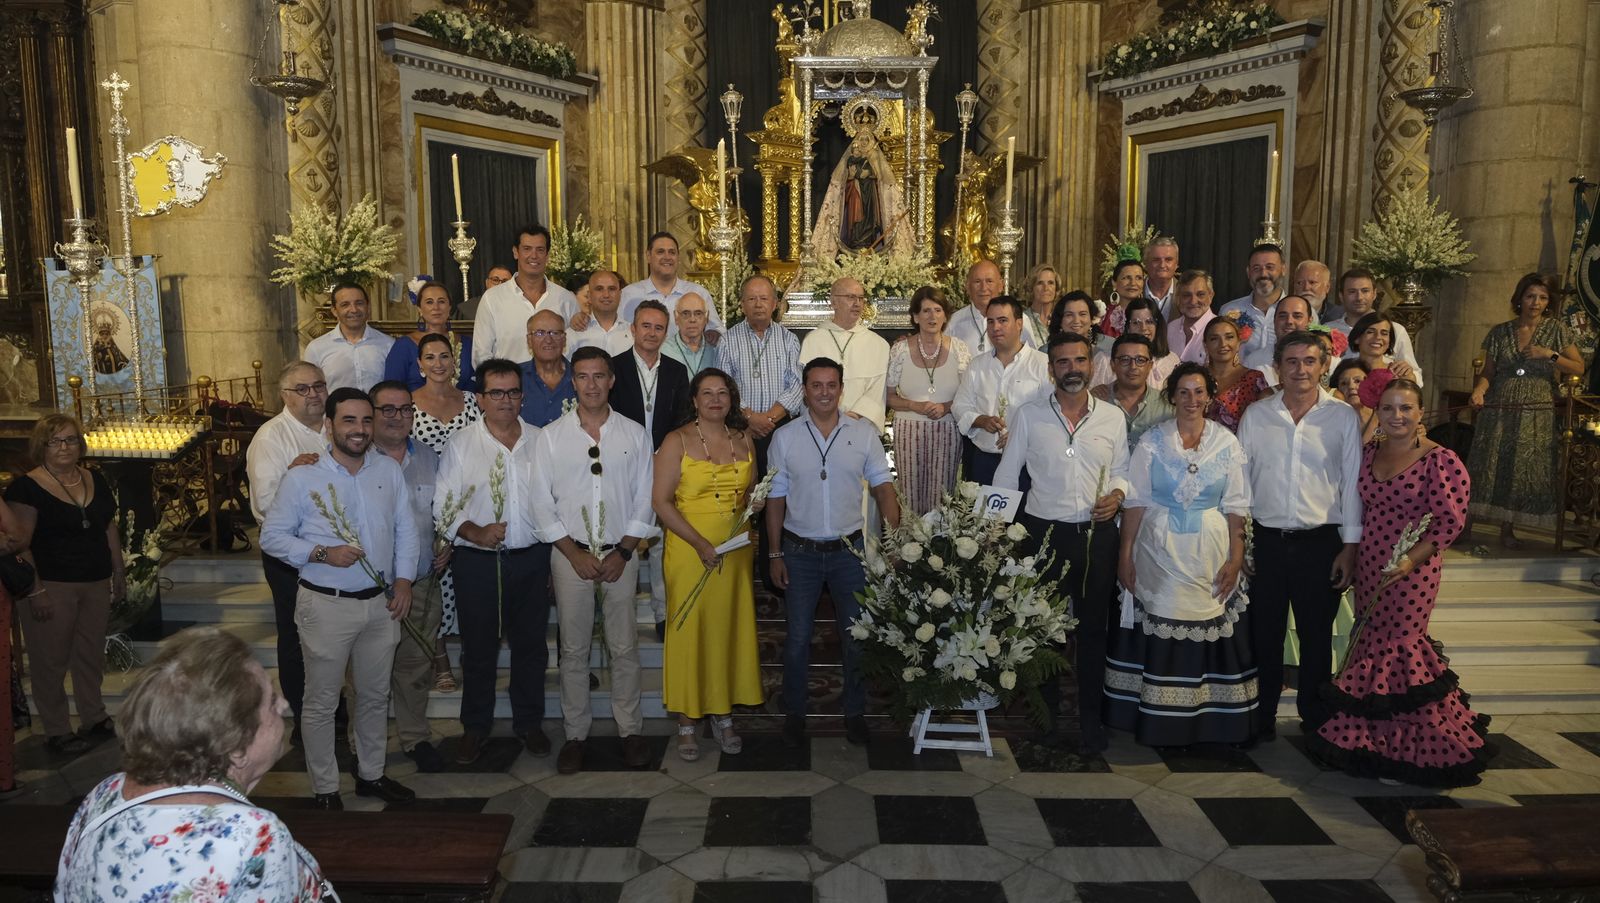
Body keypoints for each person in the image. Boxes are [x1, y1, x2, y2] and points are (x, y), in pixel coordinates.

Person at [55, 627, 328, 901]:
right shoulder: (252, 836)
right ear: (236, 747)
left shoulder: (105, 792)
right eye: (270, 701)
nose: (283, 704)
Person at [1308, 378, 1490, 785]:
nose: (1397, 416)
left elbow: (1448, 523)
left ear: (1420, 412)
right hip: (1371, 564)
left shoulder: (1440, 460)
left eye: (1406, 408)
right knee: (1370, 642)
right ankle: (1372, 741)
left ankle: (1418, 747)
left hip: (1413, 573)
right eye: (1388, 408)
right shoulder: (1370, 451)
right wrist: (1353, 554)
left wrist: (1409, 561)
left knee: (1401, 647)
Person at [261, 387, 417, 809]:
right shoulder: (303, 477)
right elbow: (272, 537)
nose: (359, 429)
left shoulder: (388, 470)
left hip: (380, 604)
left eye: (366, 420)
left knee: (374, 696)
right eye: (349, 420)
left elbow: (405, 529)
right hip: (326, 604)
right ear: (329, 425)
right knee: (322, 702)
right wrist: (321, 553)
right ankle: (326, 789)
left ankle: (371, 775)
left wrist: (404, 582)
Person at [1106, 362, 1256, 746]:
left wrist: (1235, 559)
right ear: (1171, 396)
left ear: (1209, 396)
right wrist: (1125, 555)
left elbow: (1237, 507)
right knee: (1161, 615)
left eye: (1199, 392)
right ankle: (1158, 721)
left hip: (1210, 551)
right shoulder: (1152, 441)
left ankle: (1207, 722)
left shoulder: (1227, 443)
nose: (1192, 400)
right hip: (1157, 549)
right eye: (1184, 392)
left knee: (1207, 619)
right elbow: (1135, 501)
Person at [995, 331, 1130, 752]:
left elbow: (1123, 469)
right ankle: (1047, 720)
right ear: (1051, 368)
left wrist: (1118, 495)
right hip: (1044, 535)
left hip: (1096, 537)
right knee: (1043, 631)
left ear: (1091, 364)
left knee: (1093, 631)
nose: (1073, 369)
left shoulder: (1112, 417)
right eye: (1063, 362)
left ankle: (1091, 722)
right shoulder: (1029, 415)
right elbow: (1007, 474)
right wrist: (993, 531)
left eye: (1080, 360)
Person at [767, 357, 901, 749]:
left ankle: (855, 713)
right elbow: (775, 498)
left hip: (849, 553)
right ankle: (795, 713)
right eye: (816, 385)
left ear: (841, 389)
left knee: (855, 637)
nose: (824, 392)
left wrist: (895, 540)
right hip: (799, 552)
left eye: (831, 385)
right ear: (805, 390)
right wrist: (774, 554)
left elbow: (884, 489)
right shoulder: (785, 437)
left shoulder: (863, 434)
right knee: (797, 638)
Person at [532, 347, 654, 774]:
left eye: (599, 376)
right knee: (573, 649)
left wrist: (624, 551)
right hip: (571, 556)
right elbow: (540, 504)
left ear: (612, 380)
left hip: (621, 554)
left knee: (624, 646)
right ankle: (576, 734)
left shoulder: (634, 434)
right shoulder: (551, 437)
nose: (591, 384)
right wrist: (573, 552)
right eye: (583, 376)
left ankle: (630, 731)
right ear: (573, 382)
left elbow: (645, 498)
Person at [1239, 330, 1363, 740]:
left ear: (1324, 366)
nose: (1300, 370)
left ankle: (1316, 718)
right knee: (1265, 634)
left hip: (1320, 542)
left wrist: (1350, 547)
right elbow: (1241, 484)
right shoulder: (1257, 416)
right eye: (1291, 362)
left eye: (1309, 361)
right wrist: (1242, 543)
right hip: (1267, 541)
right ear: (1277, 367)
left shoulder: (1342, 417)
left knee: (1315, 636)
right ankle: (1262, 717)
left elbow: (1352, 485)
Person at [435, 359, 553, 764]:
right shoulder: (461, 443)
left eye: (513, 392)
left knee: (531, 646)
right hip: (478, 563)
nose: (506, 400)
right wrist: (475, 532)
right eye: (497, 393)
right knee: (478, 648)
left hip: (532, 559)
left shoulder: (541, 440)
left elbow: (556, 499)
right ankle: (475, 726)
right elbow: (444, 506)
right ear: (481, 398)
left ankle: (529, 722)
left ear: (523, 396)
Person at [654, 368, 765, 761]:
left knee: (726, 630)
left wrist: (754, 503)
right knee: (690, 632)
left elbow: (748, 492)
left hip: (734, 551)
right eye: (707, 393)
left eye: (722, 393)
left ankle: (722, 714)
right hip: (689, 550)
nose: (715, 399)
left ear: (732, 398)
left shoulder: (744, 438)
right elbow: (660, 502)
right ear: (695, 400)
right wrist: (700, 543)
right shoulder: (677, 440)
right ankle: (687, 720)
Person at [6, 414, 122, 756]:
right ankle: (56, 728)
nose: (64, 447)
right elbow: (20, 543)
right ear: (41, 446)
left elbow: (107, 527)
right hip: (51, 584)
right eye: (55, 441)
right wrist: (36, 589)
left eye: (71, 439)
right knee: (50, 660)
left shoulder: (94, 478)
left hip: (95, 580)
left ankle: (94, 716)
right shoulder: (25, 488)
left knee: (90, 654)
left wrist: (118, 570)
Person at [1467, 273, 1585, 546]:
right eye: (1530, 296)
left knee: (1520, 464)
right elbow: (1488, 372)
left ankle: (1507, 529)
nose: (1536, 302)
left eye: (1542, 298)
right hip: (1501, 402)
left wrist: (1549, 355)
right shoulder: (1500, 331)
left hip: (1536, 405)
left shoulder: (1556, 330)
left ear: (1548, 302)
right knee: (1487, 460)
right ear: (1519, 299)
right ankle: (1466, 524)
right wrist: (1479, 390)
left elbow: (1579, 367)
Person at [368, 380, 449, 774]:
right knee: (367, 673)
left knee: (415, 667)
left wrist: (446, 540)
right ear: (371, 415)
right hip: (371, 588)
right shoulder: (356, 458)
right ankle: (364, 748)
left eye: (405, 409)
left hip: (420, 583)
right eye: (388, 409)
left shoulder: (429, 457)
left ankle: (415, 738)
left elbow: (444, 508)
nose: (397, 417)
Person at [245, 362, 329, 727]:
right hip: (290, 555)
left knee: (331, 635)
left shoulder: (335, 426)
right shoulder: (271, 437)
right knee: (298, 636)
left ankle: (333, 709)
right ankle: (305, 715)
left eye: (319, 386)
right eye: (303, 389)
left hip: (333, 553)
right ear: (284, 395)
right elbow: (266, 503)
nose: (313, 394)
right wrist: (294, 474)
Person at [719, 274, 803, 590]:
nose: (758, 304)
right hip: (741, 432)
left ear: (775, 304)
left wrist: (769, 417)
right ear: (742, 305)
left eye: (764, 298)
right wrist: (749, 418)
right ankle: (735, 574)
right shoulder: (728, 340)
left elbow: (797, 385)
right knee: (742, 499)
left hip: (780, 431)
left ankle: (773, 573)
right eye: (751, 299)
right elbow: (723, 387)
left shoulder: (788, 339)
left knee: (778, 499)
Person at [887, 286, 970, 514]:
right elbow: (889, 397)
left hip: (948, 429)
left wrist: (946, 407)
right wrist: (914, 405)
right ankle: (910, 538)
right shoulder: (900, 350)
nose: (932, 316)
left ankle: (938, 538)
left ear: (945, 316)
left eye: (937, 310)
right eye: (925, 311)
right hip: (908, 431)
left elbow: (969, 395)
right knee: (910, 498)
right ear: (915, 317)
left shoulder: (960, 349)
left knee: (941, 500)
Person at [952, 296, 1051, 485]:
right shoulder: (977, 365)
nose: (995, 327)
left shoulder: (1042, 364)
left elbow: (1052, 412)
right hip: (985, 461)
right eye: (990, 321)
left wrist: (1021, 437)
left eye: (1003, 320)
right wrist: (980, 420)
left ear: (1019, 324)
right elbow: (959, 405)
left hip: (1028, 462)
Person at [472, 225, 580, 364]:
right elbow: (481, 355)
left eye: (540, 250)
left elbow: (575, 349)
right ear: (515, 252)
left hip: (556, 378)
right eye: (527, 249)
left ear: (547, 255)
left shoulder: (566, 299)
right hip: (507, 378)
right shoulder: (492, 299)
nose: (533, 256)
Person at [800, 277, 892, 431]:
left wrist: (854, 415)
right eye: (851, 297)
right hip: (821, 425)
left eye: (861, 298)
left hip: (862, 424)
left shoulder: (878, 344)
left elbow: (878, 389)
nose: (857, 303)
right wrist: (830, 417)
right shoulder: (814, 340)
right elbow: (808, 386)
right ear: (834, 302)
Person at [611, 299, 691, 448]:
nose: (652, 333)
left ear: (665, 334)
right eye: (646, 326)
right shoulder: (613, 367)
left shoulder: (677, 371)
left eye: (659, 328)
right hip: (623, 450)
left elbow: (683, 417)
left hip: (665, 451)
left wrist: (666, 450)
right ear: (633, 329)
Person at [619, 231, 724, 338]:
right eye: (660, 252)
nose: (667, 257)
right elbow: (617, 333)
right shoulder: (629, 294)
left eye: (672, 252)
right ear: (648, 256)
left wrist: (714, 334)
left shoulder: (698, 293)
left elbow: (718, 330)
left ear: (678, 257)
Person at [384, 280, 475, 391]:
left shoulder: (466, 344)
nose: (436, 307)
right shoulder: (403, 346)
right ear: (419, 309)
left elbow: (475, 385)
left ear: (449, 307)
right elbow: (391, 390)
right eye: (429, 302)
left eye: (441, 301)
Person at [304, 282, 395, 393]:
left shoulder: (388, 344)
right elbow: (310, 390)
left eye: (359, 303)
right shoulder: (316, 348)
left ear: (368, 307)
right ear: (334, 311)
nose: (354, 310)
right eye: (345, 305)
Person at [1327, 267, 1422, 374]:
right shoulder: (1328, 330)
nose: (1359, 297)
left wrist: (1409, 373)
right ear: (1341, 296)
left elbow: (1415, 374)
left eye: (1365, 291)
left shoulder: (1396, 330)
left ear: (1374, 294)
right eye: (1352, 292)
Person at [1091, 333, 1176, 450]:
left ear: (1150, 366)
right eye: (1125, 359)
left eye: (1140, 360)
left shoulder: (1167, 406)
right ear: (1113, 364)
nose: (1133, 366)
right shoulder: (1096, 401)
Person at [1218, 244, 1286, 370]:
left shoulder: (1299, 312)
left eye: (1270, 267)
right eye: (1256, 268)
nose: (1263, 274)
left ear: (1283, 269)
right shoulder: (1229, 311)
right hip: (1240, 380)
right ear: (1248, 272)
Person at [948, 260, 1037, 352]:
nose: (983, 288)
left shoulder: (1018, 319)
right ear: (967, 287)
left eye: (989, 281)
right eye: (977, 282)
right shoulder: (953, 322)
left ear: (1001, 285)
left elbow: (1031, 356)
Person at [1203, 316, 1271, 433]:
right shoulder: (1194, 378)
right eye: (1214, 339)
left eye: (1229, 337)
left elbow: (1264, 422)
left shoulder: (1254, 379)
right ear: (1205, 345)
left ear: (1239, 343)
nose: (1223, 344)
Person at [1093, 297, 1177, 390]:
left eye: (1149, 322)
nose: (1143, 328)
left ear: (1157, 325)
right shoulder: (1105, 360)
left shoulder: (1171, 360)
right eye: (1136, 323)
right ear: (1127, 327)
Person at [520, 309, 578, 427]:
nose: (548, 340)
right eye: (540, 333)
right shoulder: (514, 377)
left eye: (555, 333)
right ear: (529, 340)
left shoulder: (582, 377)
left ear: (564, 339)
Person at [1346, 312, 1425, 386]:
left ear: (1390, 341)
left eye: (1384, 333)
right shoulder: (1345, 371)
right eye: (1370, 332)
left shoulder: (1398, 373)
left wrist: (1410, 378)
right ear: (1357, 338)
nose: (1378, 337)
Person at [567, 269, 634, 356]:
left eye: (612, 289)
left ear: (620, 295)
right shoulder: (574, 333)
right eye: (599, 289)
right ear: (589, 296)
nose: (606, 295)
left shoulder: (633, 333)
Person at [662, 291, 721, 377]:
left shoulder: (717, 350)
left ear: (706, 317)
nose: (692, 320)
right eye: (686, 314)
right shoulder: (663, 351)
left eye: (698, 314)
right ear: (676, 317)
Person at [1166, 270, 1217, 364]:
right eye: (1186, 295)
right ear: (1178, 298)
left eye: (1200, 294)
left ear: (1211, 296)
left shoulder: (1218, 329)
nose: (1193, 301)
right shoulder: (1170, 328)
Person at [1331, 359, 1380, 443]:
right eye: (1344, 383)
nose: (1351, 386)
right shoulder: (1335, 425)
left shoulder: (1384, 416)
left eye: (1357, 381)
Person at [1101, 259, 1147, 341]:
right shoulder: (1103, 316)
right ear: (1114, 283)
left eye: (1138, 278)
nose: (1133, 283)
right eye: (1126, 278)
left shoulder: (1150, 314)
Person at [1023, 263, 1062, 343]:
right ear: (1031, 288)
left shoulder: (1063, 319)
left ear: (1056, 288)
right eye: (1040, 283)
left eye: (1050, 283)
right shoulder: (1022, 320)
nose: (1046, 288)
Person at [1143, 236, 1180, 319]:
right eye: (1156, 260)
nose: (1162, 265)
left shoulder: (1186, 293)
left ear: (1176, 264)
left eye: (1168, 260)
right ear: (1145, 263)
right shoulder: (1134, 293)